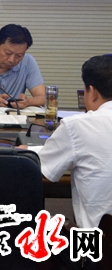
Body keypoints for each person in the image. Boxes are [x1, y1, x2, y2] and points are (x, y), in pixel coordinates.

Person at [40, 54, 112, 230]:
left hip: (97, 242)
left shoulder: (77, 126)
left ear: (92, 92)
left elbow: (42, 170)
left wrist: (27, 152)